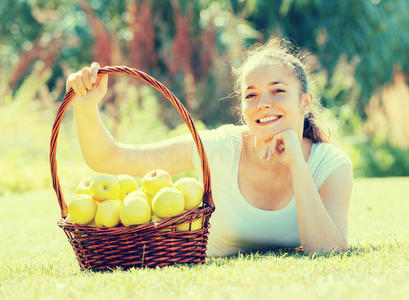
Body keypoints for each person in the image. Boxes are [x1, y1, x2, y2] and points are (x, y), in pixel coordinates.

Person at [66, 37, 353, 256]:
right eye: (251, 95)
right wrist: (85, 107)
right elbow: (111, 158)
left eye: (278, 90)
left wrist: (296, 164)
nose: (263, 103)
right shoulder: (220, 148)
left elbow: (327, 250)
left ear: (305, 102)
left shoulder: (331, 166)